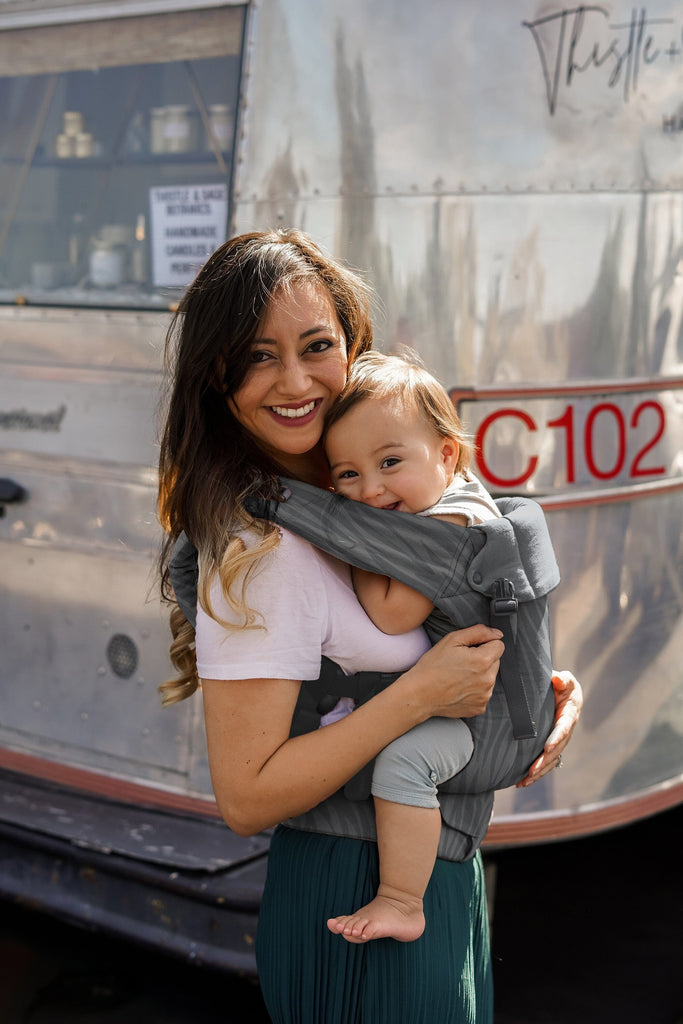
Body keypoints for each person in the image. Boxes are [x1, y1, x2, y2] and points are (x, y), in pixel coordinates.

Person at [158, 228, 583, 1024]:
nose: (294, 381)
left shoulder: (361, 498)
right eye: (257, 356)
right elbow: (246, 797)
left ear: (353, 348)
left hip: (430, 867)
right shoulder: (265, 549)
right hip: (354, 882)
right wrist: (422, 693)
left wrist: (541, 688)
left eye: (317, 346)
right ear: (217, 377)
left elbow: (468, 600)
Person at [314, 350, 551, 944]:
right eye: (346, 475)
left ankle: (401, 899)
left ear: (447, 454)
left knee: (404, 763)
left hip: (481, 722)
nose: (370, 490)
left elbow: (392, 614)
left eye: (390, 461)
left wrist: (358, 549)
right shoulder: (449, 498)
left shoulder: (449, 525)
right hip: (476, 701)